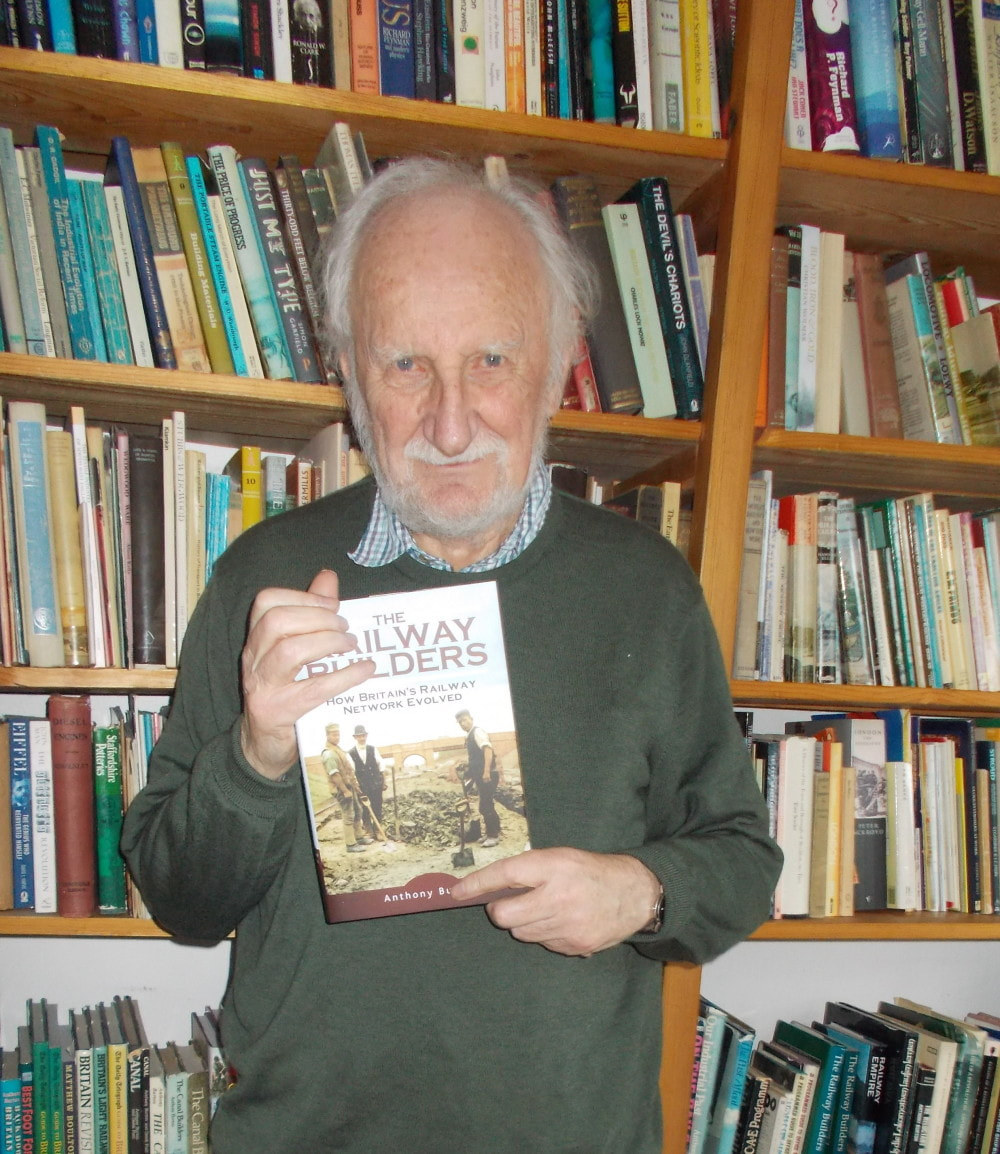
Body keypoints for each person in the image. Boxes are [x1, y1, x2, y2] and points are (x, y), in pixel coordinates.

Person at [121, 156, 782, 1154]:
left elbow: (741, 863)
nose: (451, 421)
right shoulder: (265, 578)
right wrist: (255, 755)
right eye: (406, 364)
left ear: (558, 360)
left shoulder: (646, 589)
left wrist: (640, 891)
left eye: (491, 360)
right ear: (350, 370)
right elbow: (181, 901)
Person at [320, 722, 369, 852]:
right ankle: (351, 844)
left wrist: (355, 786)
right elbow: (334, 774)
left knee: (358, 811)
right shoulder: (329, 753)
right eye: (334, 735)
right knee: (348, 815)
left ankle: (359, 837)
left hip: (349, 787)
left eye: (338, 734)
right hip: (341, 789)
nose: (337, 737)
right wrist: (345, 790)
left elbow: (348, 771)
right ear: (327, 735)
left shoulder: (338, 750)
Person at [456, 708, 501, 846]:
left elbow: (488, 750)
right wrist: (466, 765)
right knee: (487, 804)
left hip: (487, 774)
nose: (462, 723)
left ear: (471, 719)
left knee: (485, 806)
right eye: (460, 722)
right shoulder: (470, 735)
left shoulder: (477, 732)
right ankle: (494, 831)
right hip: (481, 775)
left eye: (464, 720)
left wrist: (486, 771)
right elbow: (477, 758)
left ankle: (493, 836)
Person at [347, 724, 384, 834]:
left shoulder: (373, 749)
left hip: (376, 784)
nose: (362, 738)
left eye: (363, 736)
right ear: (355, 737)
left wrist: (383, 782)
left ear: (366, 736)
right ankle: (369, 831)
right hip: (362, 786)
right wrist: (356, 786)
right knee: (364, 809)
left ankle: (378, 830)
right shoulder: (350, 753)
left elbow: (381, 766)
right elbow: (351, 771)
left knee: (377, 806)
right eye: (359, 736)